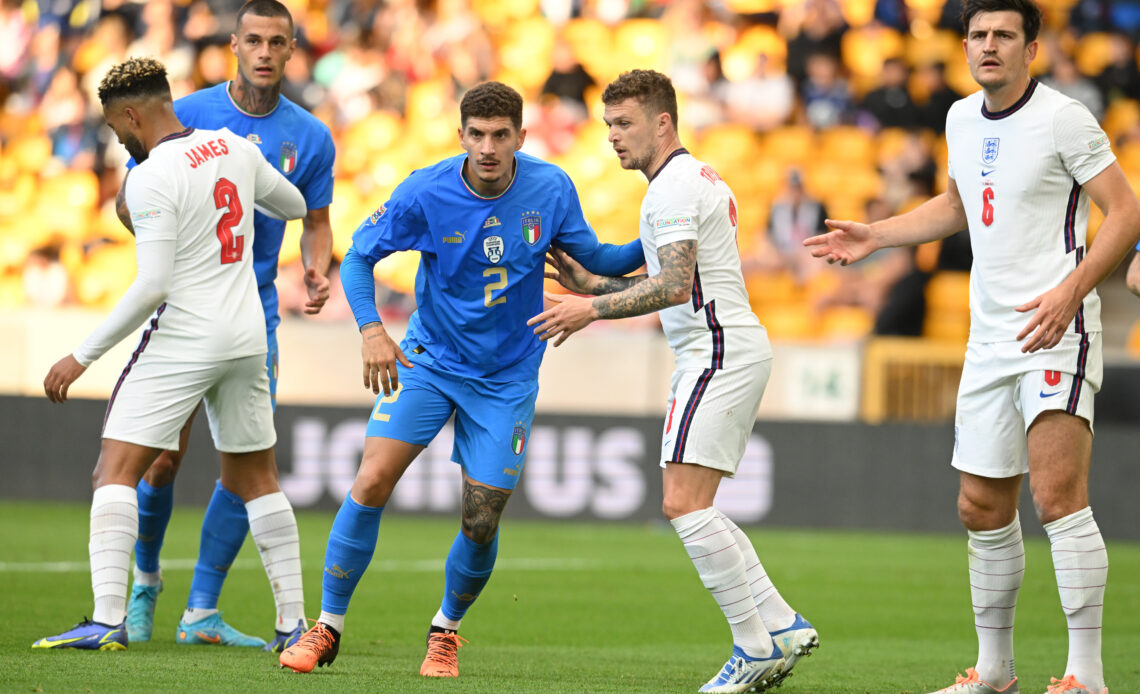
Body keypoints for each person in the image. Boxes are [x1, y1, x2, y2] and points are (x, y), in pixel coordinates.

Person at [804, 2, 1140, 692]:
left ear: (1032, 48)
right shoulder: (959, 118)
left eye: (1004, 35)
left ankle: (1086, 677)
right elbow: (957, 206)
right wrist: (879, 234)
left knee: (1057, 498)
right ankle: (994, 672)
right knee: (980, 507)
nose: (990, 46)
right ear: (964, 45)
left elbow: (1127, 210)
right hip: (988, 337)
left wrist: (1073, 292)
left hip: (1056, 327)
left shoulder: (1064, 118)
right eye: (979, 35)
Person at [277, 80, 645, 678]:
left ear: (521, 137)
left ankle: (445, 630)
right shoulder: (426, 191)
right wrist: (372, 330)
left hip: (507, 375)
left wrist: (657, 238)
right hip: (430, 360)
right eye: (477, 134)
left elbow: (597, 260)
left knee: (481, 518)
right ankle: (327, 626)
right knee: (371, 479)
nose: (489, 147)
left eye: (501, 135)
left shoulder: (550, 188)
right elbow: (362, 255)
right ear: (461, 137)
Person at [527, 69, 819, 694]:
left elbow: (675, 285)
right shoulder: (689, 179)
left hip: (715, 352)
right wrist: (591, 285)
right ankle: (780, 623)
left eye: (624, 123)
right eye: (608, 125)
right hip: (726, 346)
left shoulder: (675, 189)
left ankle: (753, 646)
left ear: (664, 122)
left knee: (682, 504)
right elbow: (669, 282)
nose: (612, 136)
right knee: (697, 504)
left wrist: (591, 310)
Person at [32, 56, 309, 652]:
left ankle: (108, 619)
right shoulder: (234, 146)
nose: (118, 138)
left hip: (187, 335)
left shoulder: (152, 175)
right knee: (258, 479)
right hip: (246, 337)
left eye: (114, 127)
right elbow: (292, 206)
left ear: (132, 114)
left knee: (115, 470)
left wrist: (81, 356)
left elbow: (154, 284)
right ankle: (294, 626)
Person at [119, 0, 335, 653]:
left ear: (292, 50)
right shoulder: (190, 116)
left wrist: (316, 268)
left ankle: (202, 610)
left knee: (246, 470)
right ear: (234, 45)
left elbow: (316, 220)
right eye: (254, 40)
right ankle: (144, 585)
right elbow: (132, 197)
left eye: (277, 42)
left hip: (253, 312)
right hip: (179, 304)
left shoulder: (312, 137)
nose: (265, 52)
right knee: (161, 459)